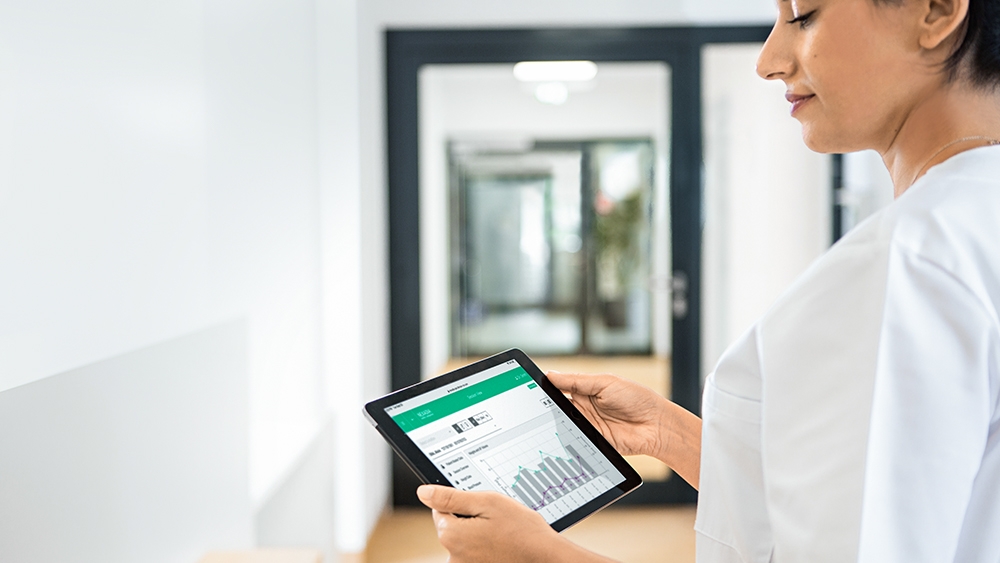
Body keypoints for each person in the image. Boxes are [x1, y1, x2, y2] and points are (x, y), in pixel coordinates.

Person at [417, 0, 1000, 560]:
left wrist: (540, 558)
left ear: (935, 10)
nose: (768, 60)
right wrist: (668, 433)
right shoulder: (968, 225)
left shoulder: (902, 266)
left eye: (802, 16)